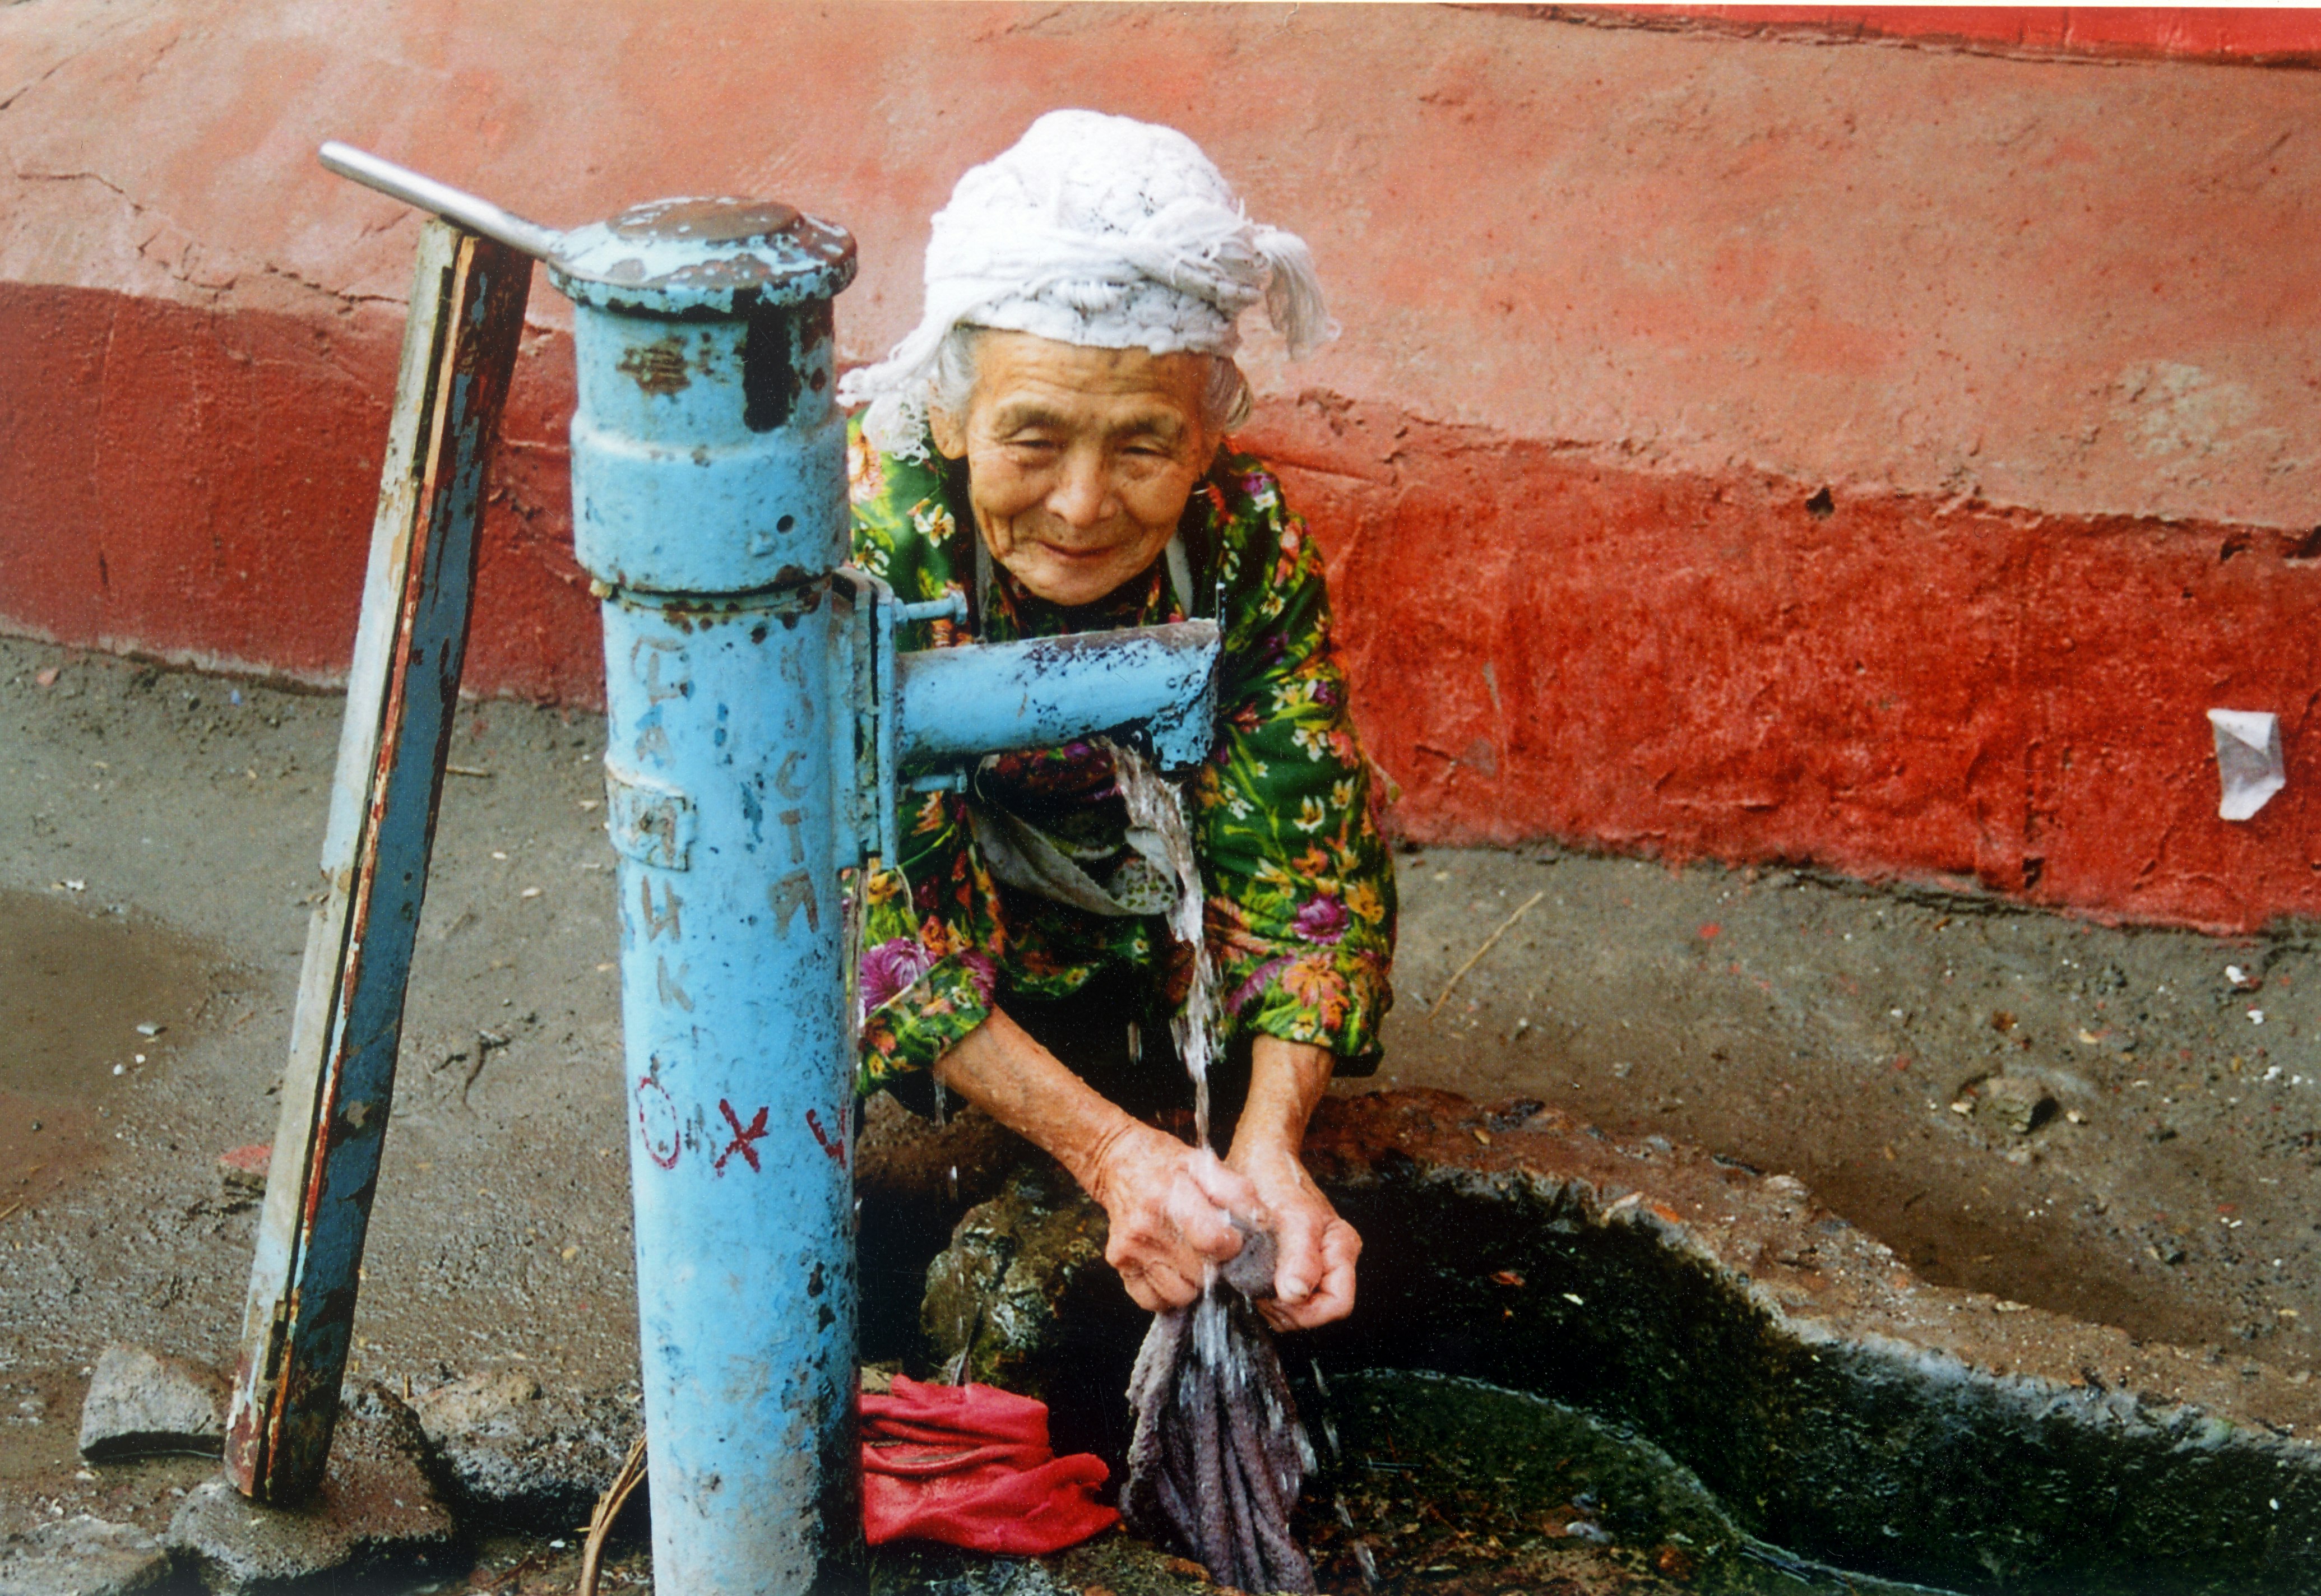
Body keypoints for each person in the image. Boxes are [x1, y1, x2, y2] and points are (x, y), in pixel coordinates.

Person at [836, 110, 1395, 1333]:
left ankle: (1134, 1056)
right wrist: (1107, 1153)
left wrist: (1267, 1142)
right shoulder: (870, 549)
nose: (1083, 505)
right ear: (948, 416)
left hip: (1121, 914)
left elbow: (1306, 849)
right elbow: (877, 912)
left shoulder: (1240, 533)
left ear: (1207, 435)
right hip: (948, 894)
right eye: (1030, 437)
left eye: (1145, 444)